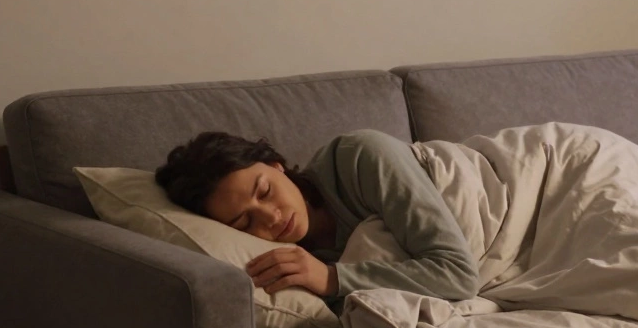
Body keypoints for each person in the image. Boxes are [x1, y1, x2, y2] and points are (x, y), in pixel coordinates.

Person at [154, 129, 479, 303]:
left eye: (265, 191)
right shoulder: (292, 264)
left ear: (275, 164)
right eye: (243, 222)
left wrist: (332, 278)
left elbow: (459, 274)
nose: (270, 218)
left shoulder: (361, 158)